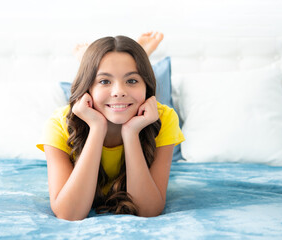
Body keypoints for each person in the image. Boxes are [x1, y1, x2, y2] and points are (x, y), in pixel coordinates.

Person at [36, 32, 185, 221]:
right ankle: (91, 63)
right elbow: (69, 214)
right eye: (104, 81)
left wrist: (131, 133)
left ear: (146, 86)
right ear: (87, 89)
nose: (119, 92)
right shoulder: (58, 123)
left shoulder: (163, 118)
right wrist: (97, 129)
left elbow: (148, 211)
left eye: (132, 80)